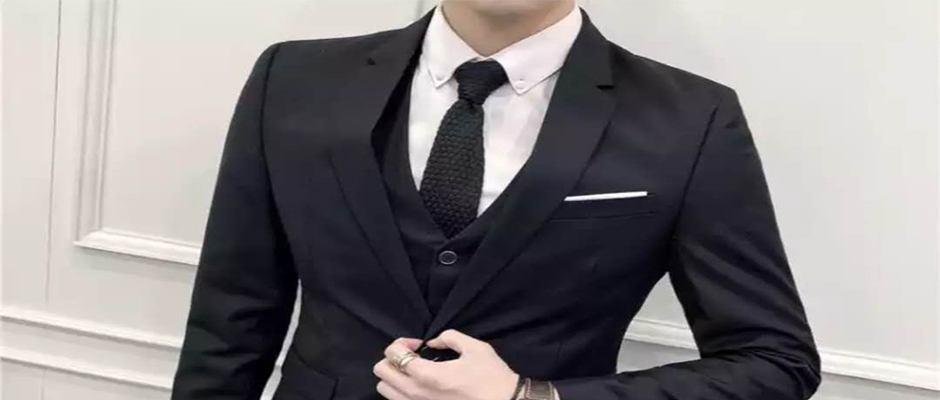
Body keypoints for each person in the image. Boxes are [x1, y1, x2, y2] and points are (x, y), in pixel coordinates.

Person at [169, 0, 822, 399]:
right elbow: (232, 318)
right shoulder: (294, 79)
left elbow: (774, 363)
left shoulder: (691, 118)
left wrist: (533, 397)